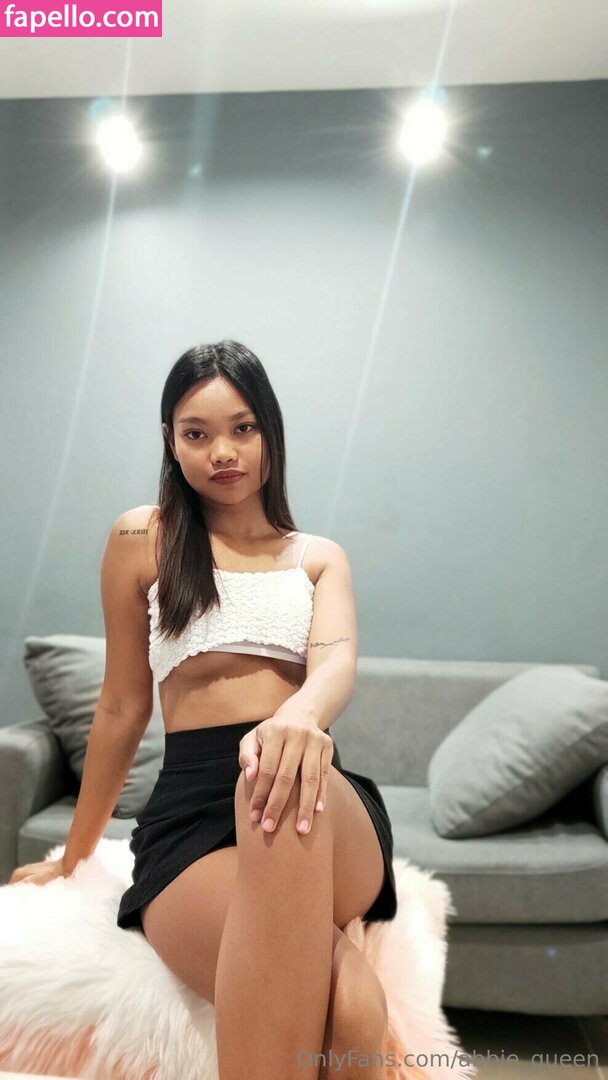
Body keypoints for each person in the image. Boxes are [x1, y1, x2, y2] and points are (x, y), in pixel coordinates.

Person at [9, 340, 398, 1080]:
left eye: (243, 428)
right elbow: (121, 707)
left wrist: (298, 719)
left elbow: (335, 662)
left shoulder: (317, 556)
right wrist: (74, 855)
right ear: (171, 441)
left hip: (313, 799)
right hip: (191, 822)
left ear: (269, 433)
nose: (223, 451)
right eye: (198, 433)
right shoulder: (141, 538)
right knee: (351, 1007)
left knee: (273, 773)